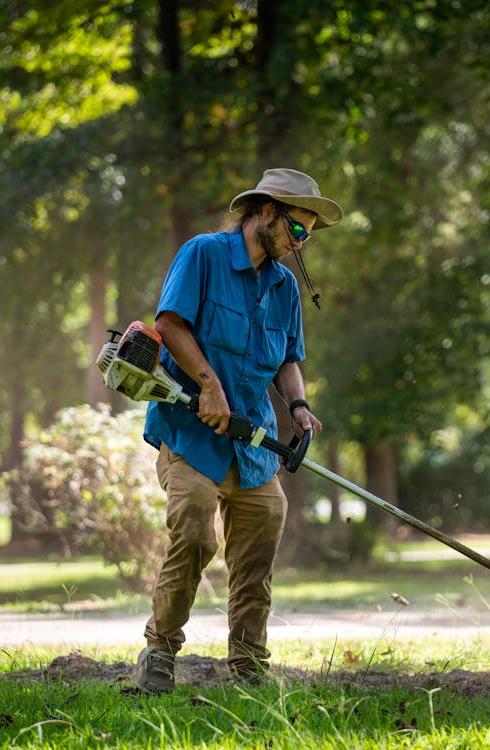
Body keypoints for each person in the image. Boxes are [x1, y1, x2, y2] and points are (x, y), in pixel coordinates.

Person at [135, 168, 343, 693]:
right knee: (196, 528)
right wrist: (208, 384)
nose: (301, 244)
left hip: (252, 448)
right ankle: (159, 650)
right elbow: (170, 324)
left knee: (260, 541)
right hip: (190, 433)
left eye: (309, 236)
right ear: (267, 211)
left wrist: (297, 405)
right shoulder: (203, 254)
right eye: (298, 229)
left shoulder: (284, 287)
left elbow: (287, 358)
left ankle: (248, 666)